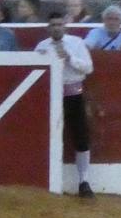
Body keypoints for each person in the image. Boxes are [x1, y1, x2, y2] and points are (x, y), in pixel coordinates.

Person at [34, 11, 95, 197]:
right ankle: (43, 181)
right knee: (46, 138)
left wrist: (69, 58)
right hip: (50, 96)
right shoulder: (42, 46)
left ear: (65, 26)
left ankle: (84, 181)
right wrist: (42, 58)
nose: (56, 27)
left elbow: (89, 68)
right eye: (53, 25)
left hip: (74, 94)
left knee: (81, 137)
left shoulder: (76, 43)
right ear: (48, 28)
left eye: (59, 24)